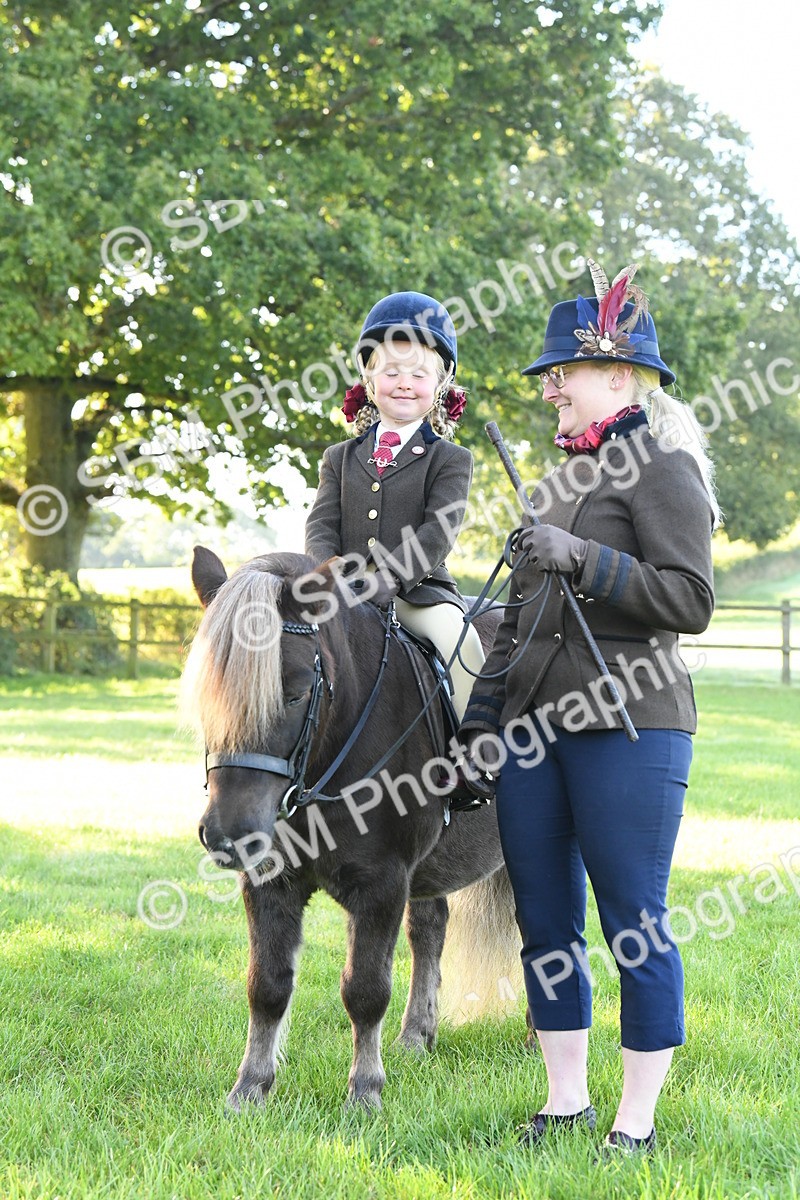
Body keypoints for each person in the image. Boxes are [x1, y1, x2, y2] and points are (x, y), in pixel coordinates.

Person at [459, 260, 718, 1154]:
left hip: (634, 725)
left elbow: (690, 599)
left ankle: (634, 1121)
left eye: (561, 374)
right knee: (545, 921)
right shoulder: (558, 481)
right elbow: (519, 627)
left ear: (618, 374)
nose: (550, 389)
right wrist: (478, 725)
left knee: (633, 922)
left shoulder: (664, 467)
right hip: (536, 734)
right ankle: (564, 1099)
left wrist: (585, 560)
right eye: (547, 377)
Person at [305, 290, 485, 722]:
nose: (405, 382)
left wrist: (392, 576)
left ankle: (477, 750)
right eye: (392, 372)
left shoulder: (451, 460)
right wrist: (325, 571)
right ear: (369, 380)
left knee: (462, 646)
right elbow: (321, 524)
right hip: (344, 588)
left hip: (417, 593)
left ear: (440, 385)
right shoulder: (339, 457)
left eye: (419, 375)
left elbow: (438, 532)